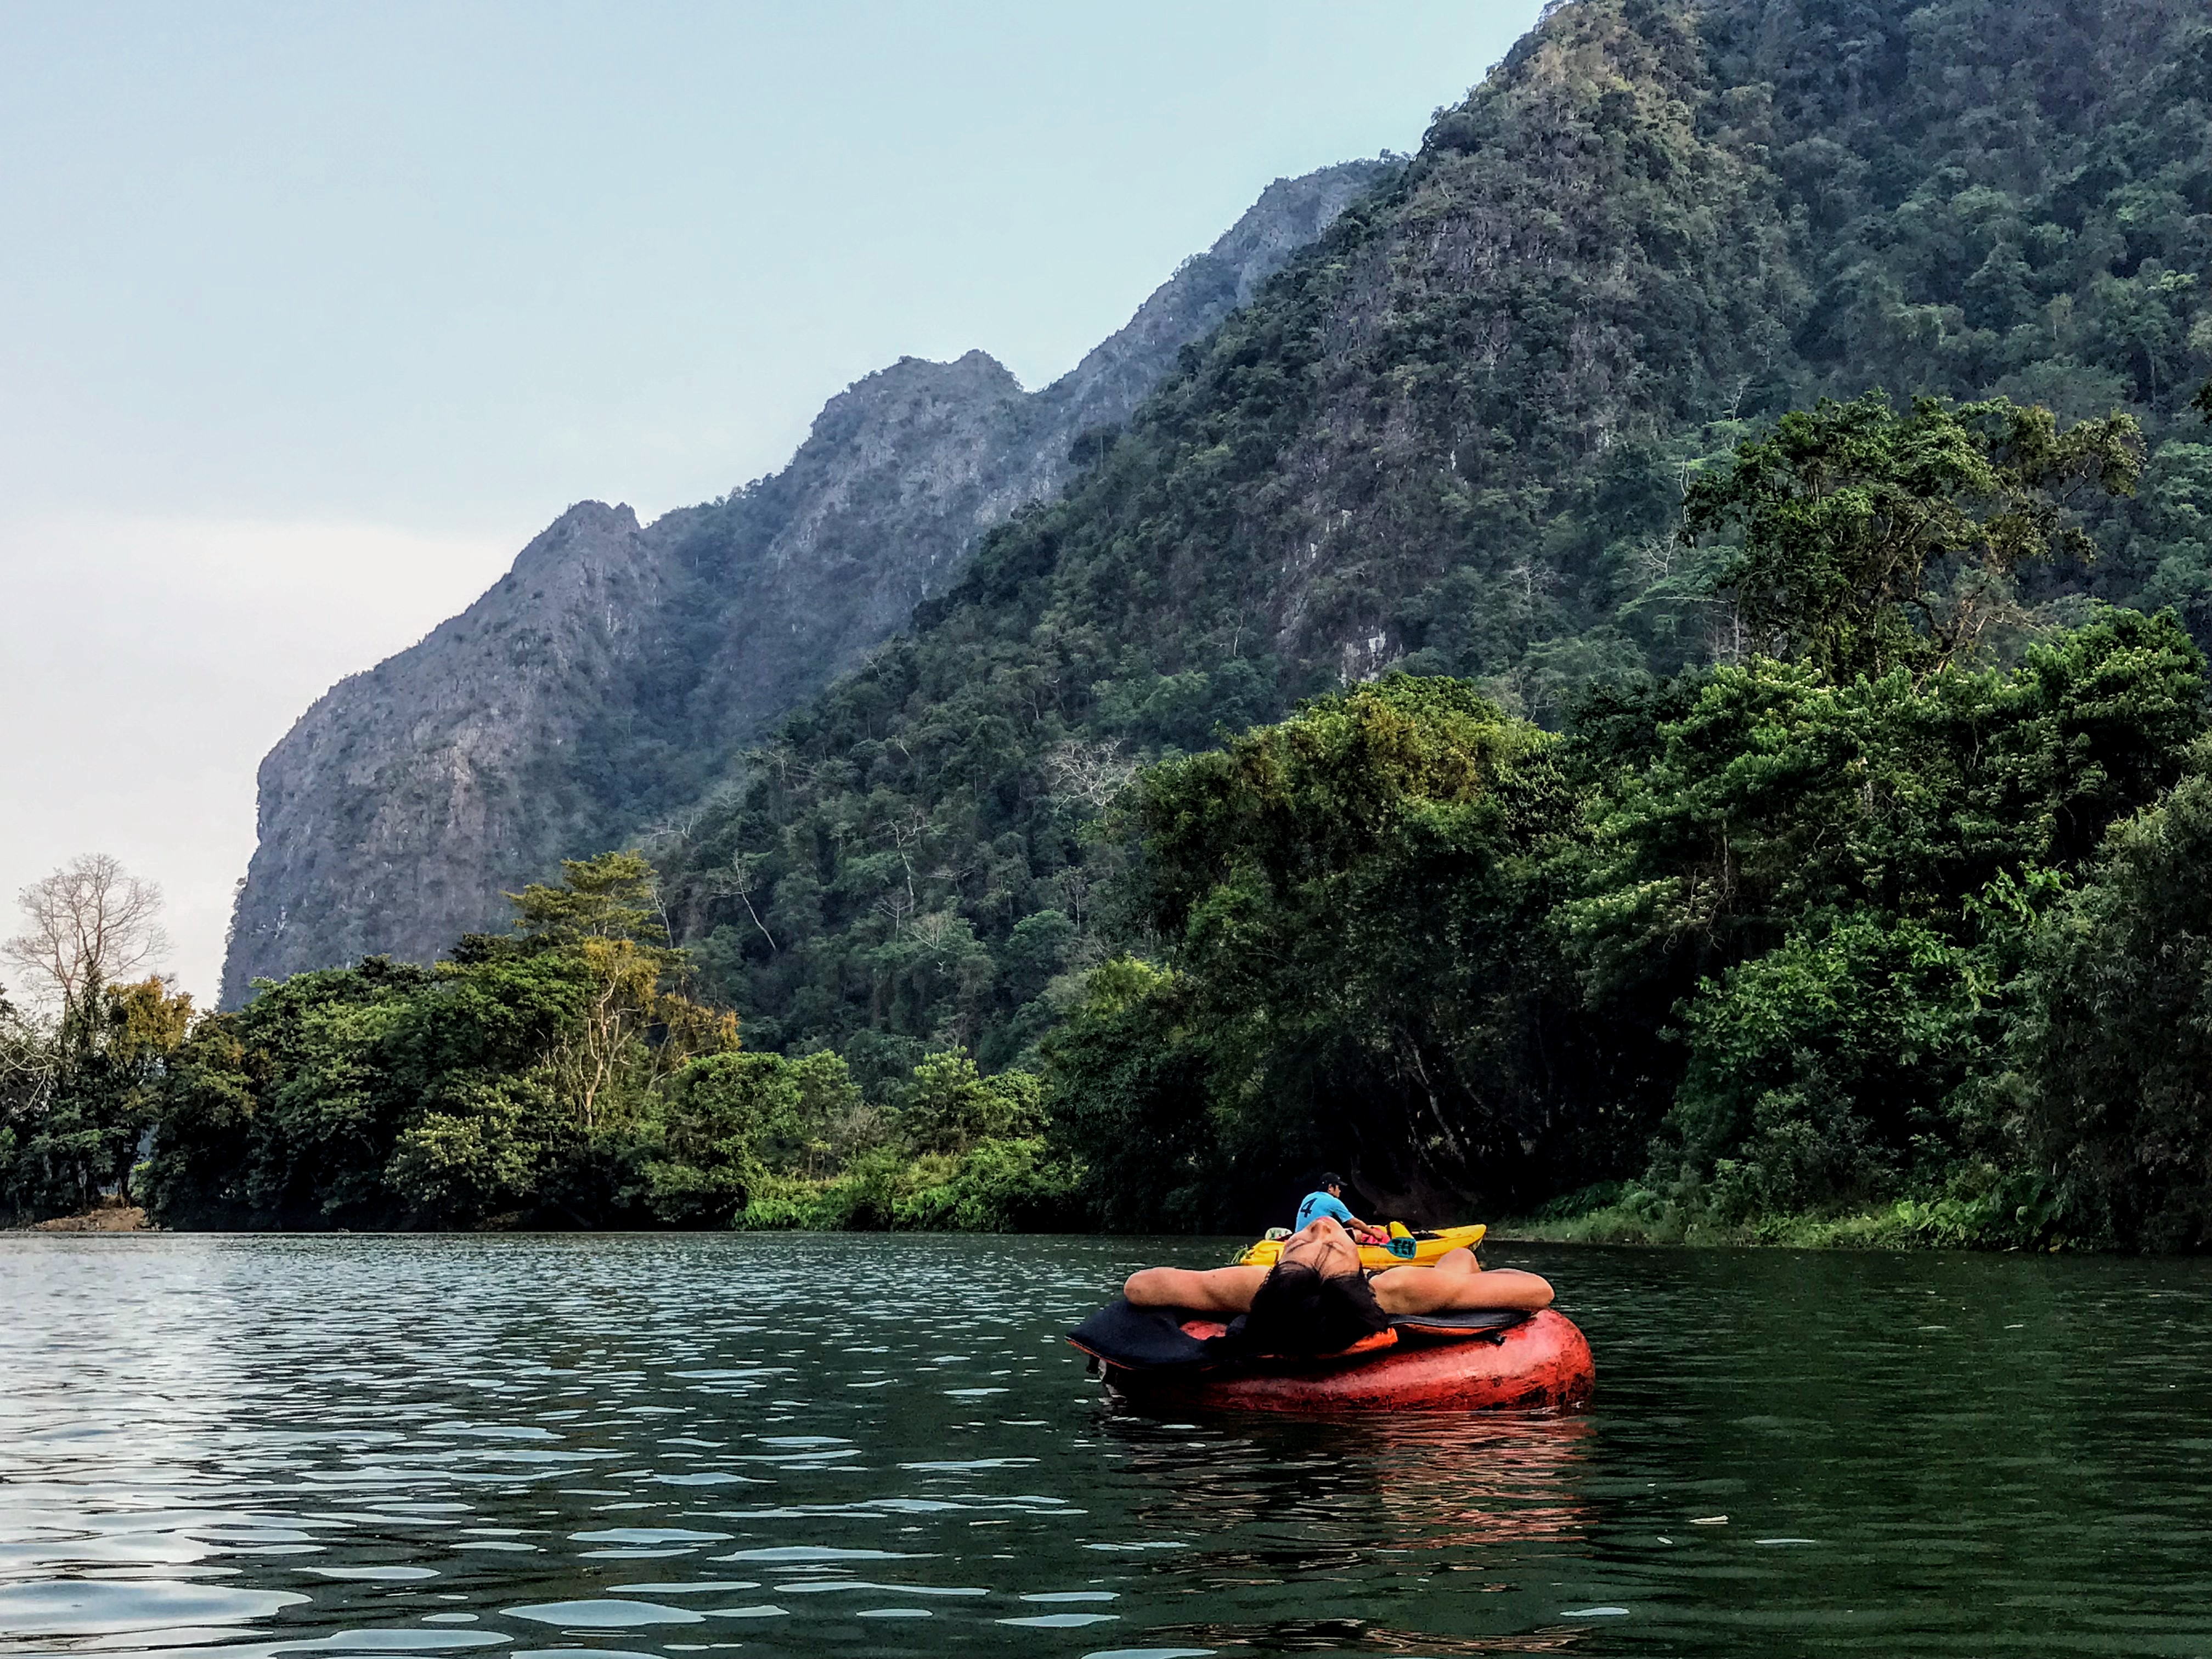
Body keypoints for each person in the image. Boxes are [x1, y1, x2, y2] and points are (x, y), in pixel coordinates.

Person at [1122, 1213, 1553, 1344]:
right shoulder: (1398, 1289)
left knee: (1457, 1262)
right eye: (1320, 1240)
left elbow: (1141, 1285)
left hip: (1335, 1299)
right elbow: (1538, 1289)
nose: (1323, 1227)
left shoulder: (1251, 1287)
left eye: (1313, 1239)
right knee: (1459, 1258)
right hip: (1398, 1293)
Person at [1293, 1172, 1376, 1235]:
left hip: (1298, 1235)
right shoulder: (1333, 1201)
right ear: (1330, 1188)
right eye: (1339, 1187)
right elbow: (1354, 1223)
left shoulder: (1309, 1197)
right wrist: (1374, 1233)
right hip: (1315, 1239)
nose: (1340, 1191)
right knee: (1357, 1234)